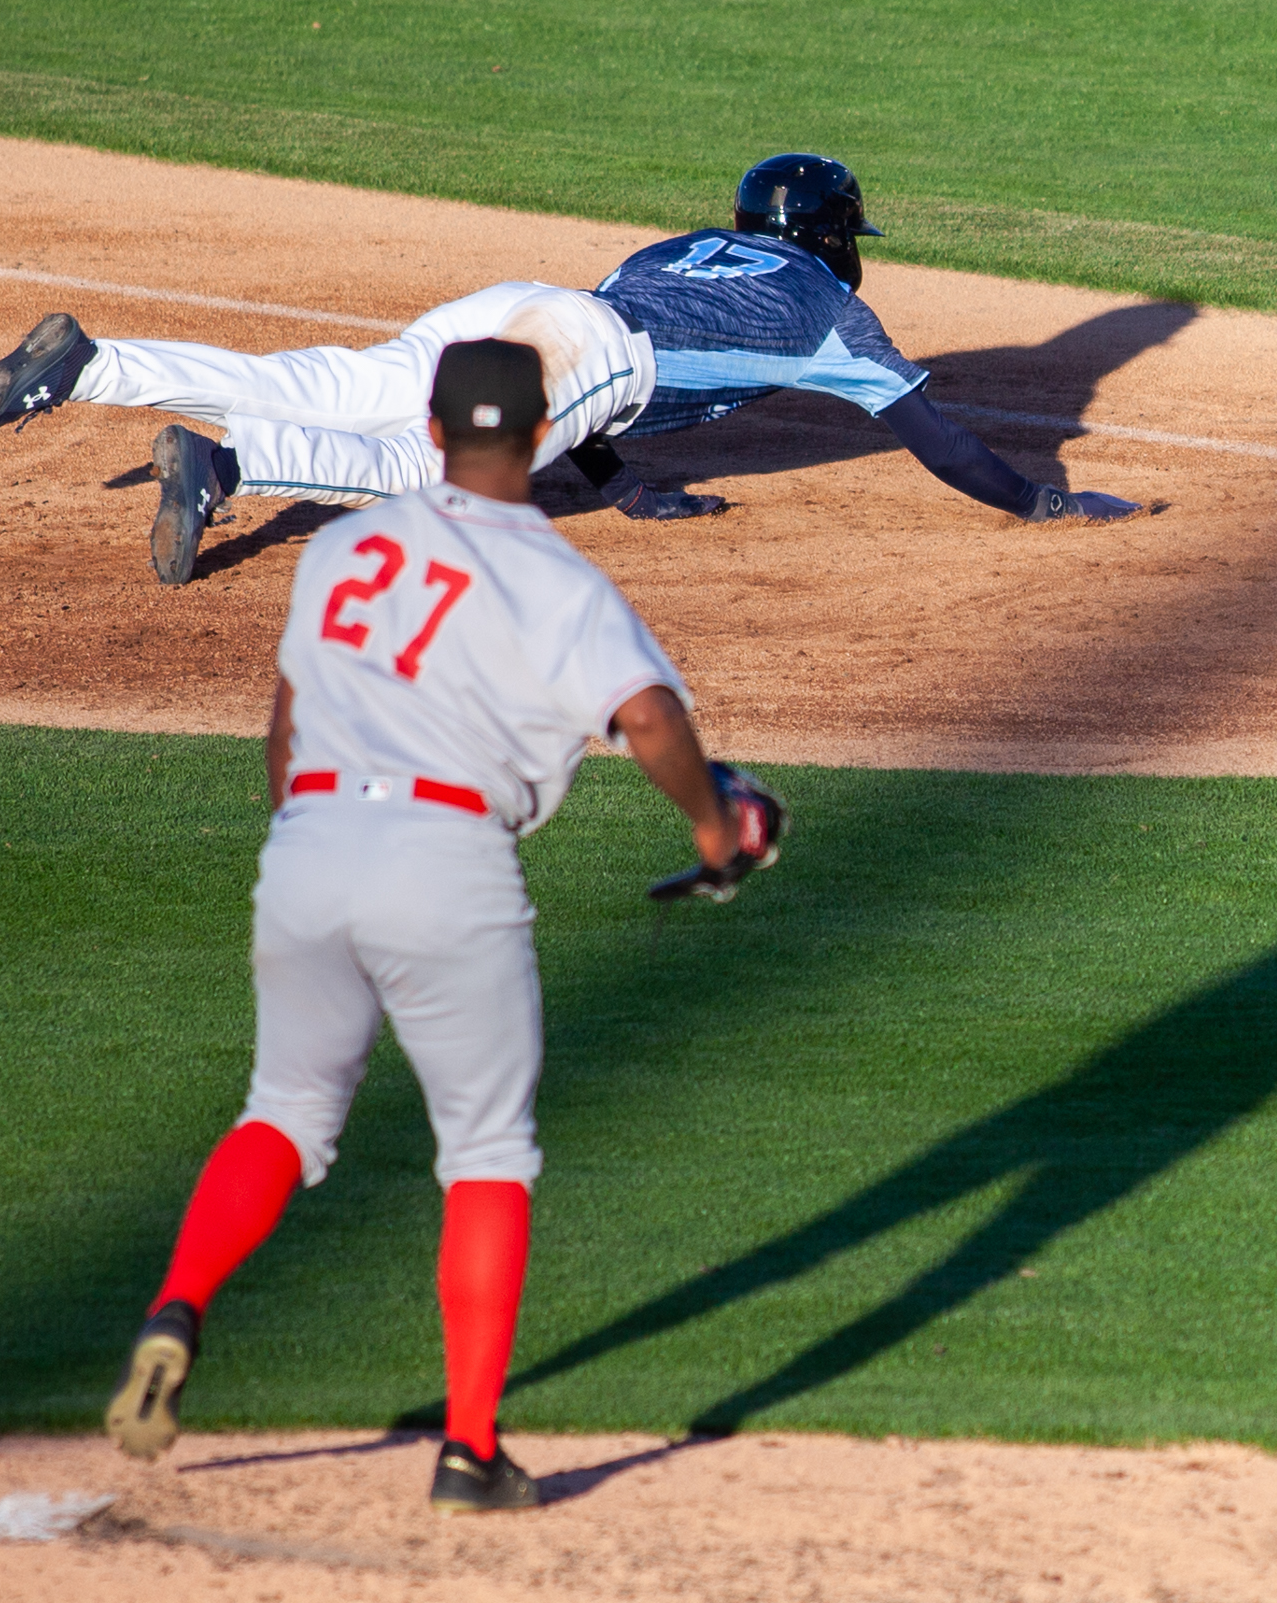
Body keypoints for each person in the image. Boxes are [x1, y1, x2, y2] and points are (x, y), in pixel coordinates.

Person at [99, 337, 777, 1513]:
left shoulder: (349, 545)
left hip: (310, 841)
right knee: (485, 1153)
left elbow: (288, 719)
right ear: (536, 434)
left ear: (433, 424)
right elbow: (652, 719)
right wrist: (721, 830)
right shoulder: (553, 574)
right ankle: (469, 1448)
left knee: (286, 1110)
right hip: (447, 864)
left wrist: (305, 850)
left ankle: (177, 1310)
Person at [0, 154, 1139, 584]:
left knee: (335, 381)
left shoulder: (678, 245)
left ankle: (90, 366)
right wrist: (1043, 496)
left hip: (525, 301)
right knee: (428, 477)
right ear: (832, 235)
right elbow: (941, 440)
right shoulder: (834, 314)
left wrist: (616, 482)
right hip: (585, 349)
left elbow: (595, 367)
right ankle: (223, 465)